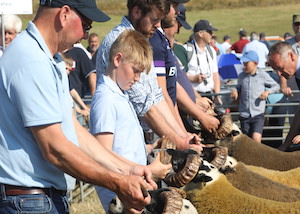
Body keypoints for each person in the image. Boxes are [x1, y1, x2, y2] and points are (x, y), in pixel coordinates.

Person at [0, 0, 158, 213]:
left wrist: (129, 169)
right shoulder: (31, 60)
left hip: (36, 198)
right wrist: (118, 182)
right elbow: (54, 148)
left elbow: (74, 130)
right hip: (28, 200)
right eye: (86, 25)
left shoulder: (49, 59)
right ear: (64, 14)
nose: (85, 35)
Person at [96, 0, 209, 150]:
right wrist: (179, 142)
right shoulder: (121, 41)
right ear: (137, 12)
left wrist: (183, 136)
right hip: (121, 145)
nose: (158, 25)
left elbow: (156, 95)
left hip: (142, 140)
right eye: (155, 20)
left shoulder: (141, 40)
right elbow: (144, 106)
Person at [90, 29, 171, 212]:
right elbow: (102, 154)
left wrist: (150, 148)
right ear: (117, 60)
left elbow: (122, 143)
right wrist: (149, 169)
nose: (137, 78)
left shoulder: (119, 94)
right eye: (135, 71)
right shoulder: (106, 99)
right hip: (121, 197)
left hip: (132, 188)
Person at [164, 9, 219, 134]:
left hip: (196, 100)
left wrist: (200, 99)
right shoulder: (184, 49)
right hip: (184, 107)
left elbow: (179, 80)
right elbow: (172, 84)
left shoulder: (210, 51)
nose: (178, 30)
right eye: (178, 24)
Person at [231, 51, 279, 143]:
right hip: (244, 114)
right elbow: (237, 86)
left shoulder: (263, 75)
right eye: (243, 64)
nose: (244, 66)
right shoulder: (241, 76)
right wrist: (234, 90)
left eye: (246, 64)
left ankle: (257, 157)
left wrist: (267, 92)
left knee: (256, 139)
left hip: (258, 114)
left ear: (255, 63)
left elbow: (276, 86)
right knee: (246, 140)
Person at [268, 41, 300, 151]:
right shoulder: (297, 75)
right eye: (276, 70)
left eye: (280, 68)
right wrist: (286, 144)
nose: (279, 74)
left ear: (291, 56)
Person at [184, 19, 222, 105]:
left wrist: (217, 95)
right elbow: (181, 76)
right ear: (200, 33)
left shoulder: (211, 50)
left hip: (210, 94)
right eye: (209, 32)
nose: (212, 35)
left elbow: (215, 74)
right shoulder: (186, 49)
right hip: (193, 95)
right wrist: (193, 78)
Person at [61, 53, 90, 121]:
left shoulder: (66, 78)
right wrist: (79, 111)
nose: (68, 72)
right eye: (66, 69)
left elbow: (73, 92)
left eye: (69, 70)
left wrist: (85, 107)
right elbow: (69, 98)